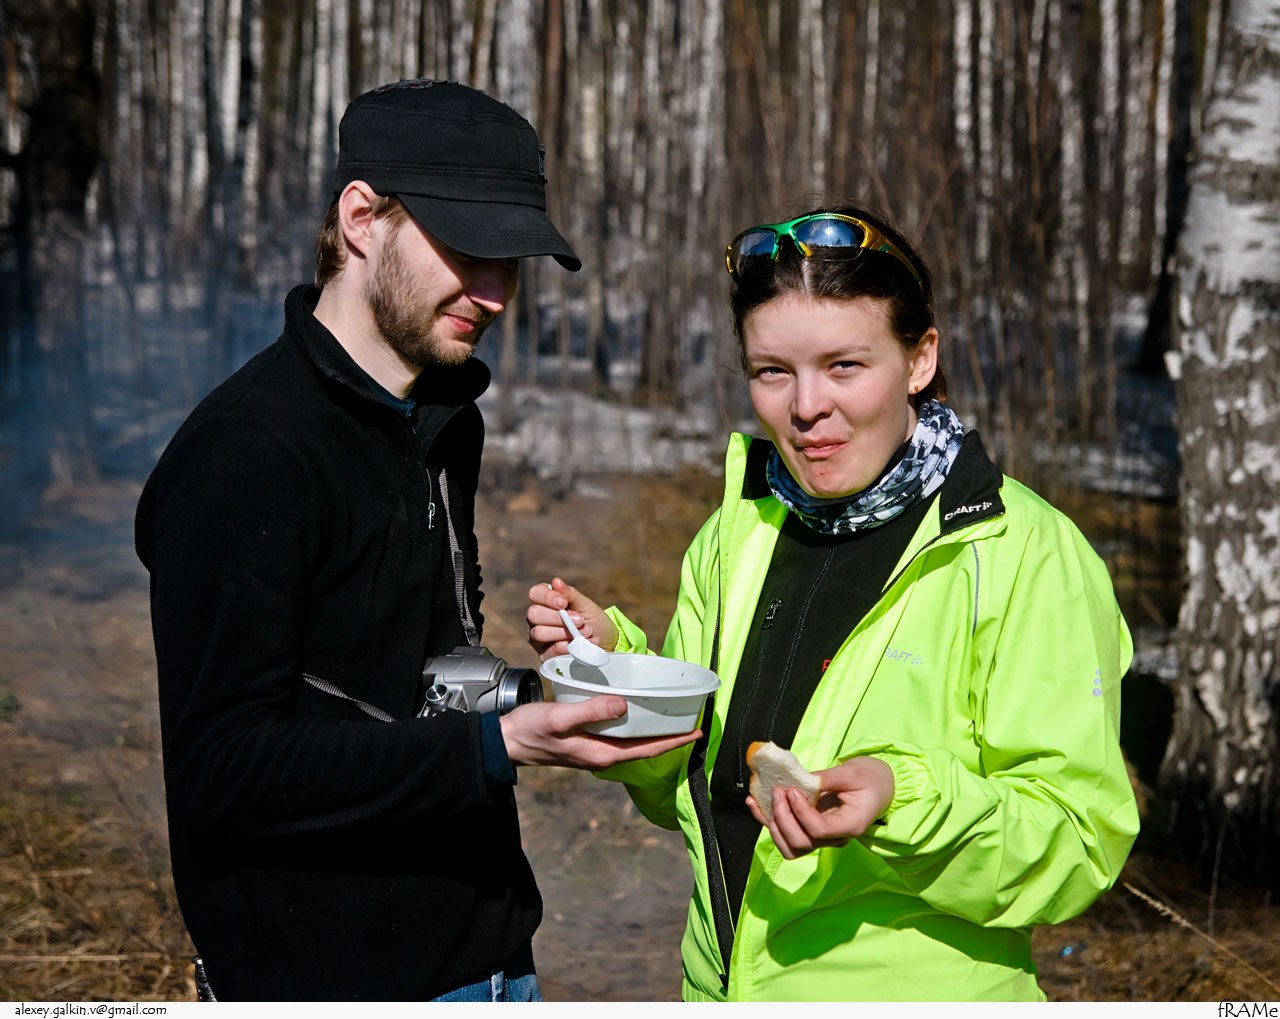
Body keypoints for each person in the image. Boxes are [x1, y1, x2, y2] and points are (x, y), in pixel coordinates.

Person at [135, 79, 697, 1003]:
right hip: (331, 979)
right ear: (362, 219)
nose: (496, 295)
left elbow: (394, 687)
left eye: (510, 262)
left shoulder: (441, 420)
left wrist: (542, 694)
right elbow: (223, 773)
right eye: (468, 251)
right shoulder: (247, 455)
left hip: (489, 958)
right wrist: (495, 747)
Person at [527, 202, 1141, 1001]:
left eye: (844, 365)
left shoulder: (1021, 550)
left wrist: (899, 803)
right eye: (772, 371)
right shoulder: (739, 532)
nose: (806, 405)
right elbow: (688, 787)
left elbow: (1078, 841)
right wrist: (621, 673)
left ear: (920, 359)